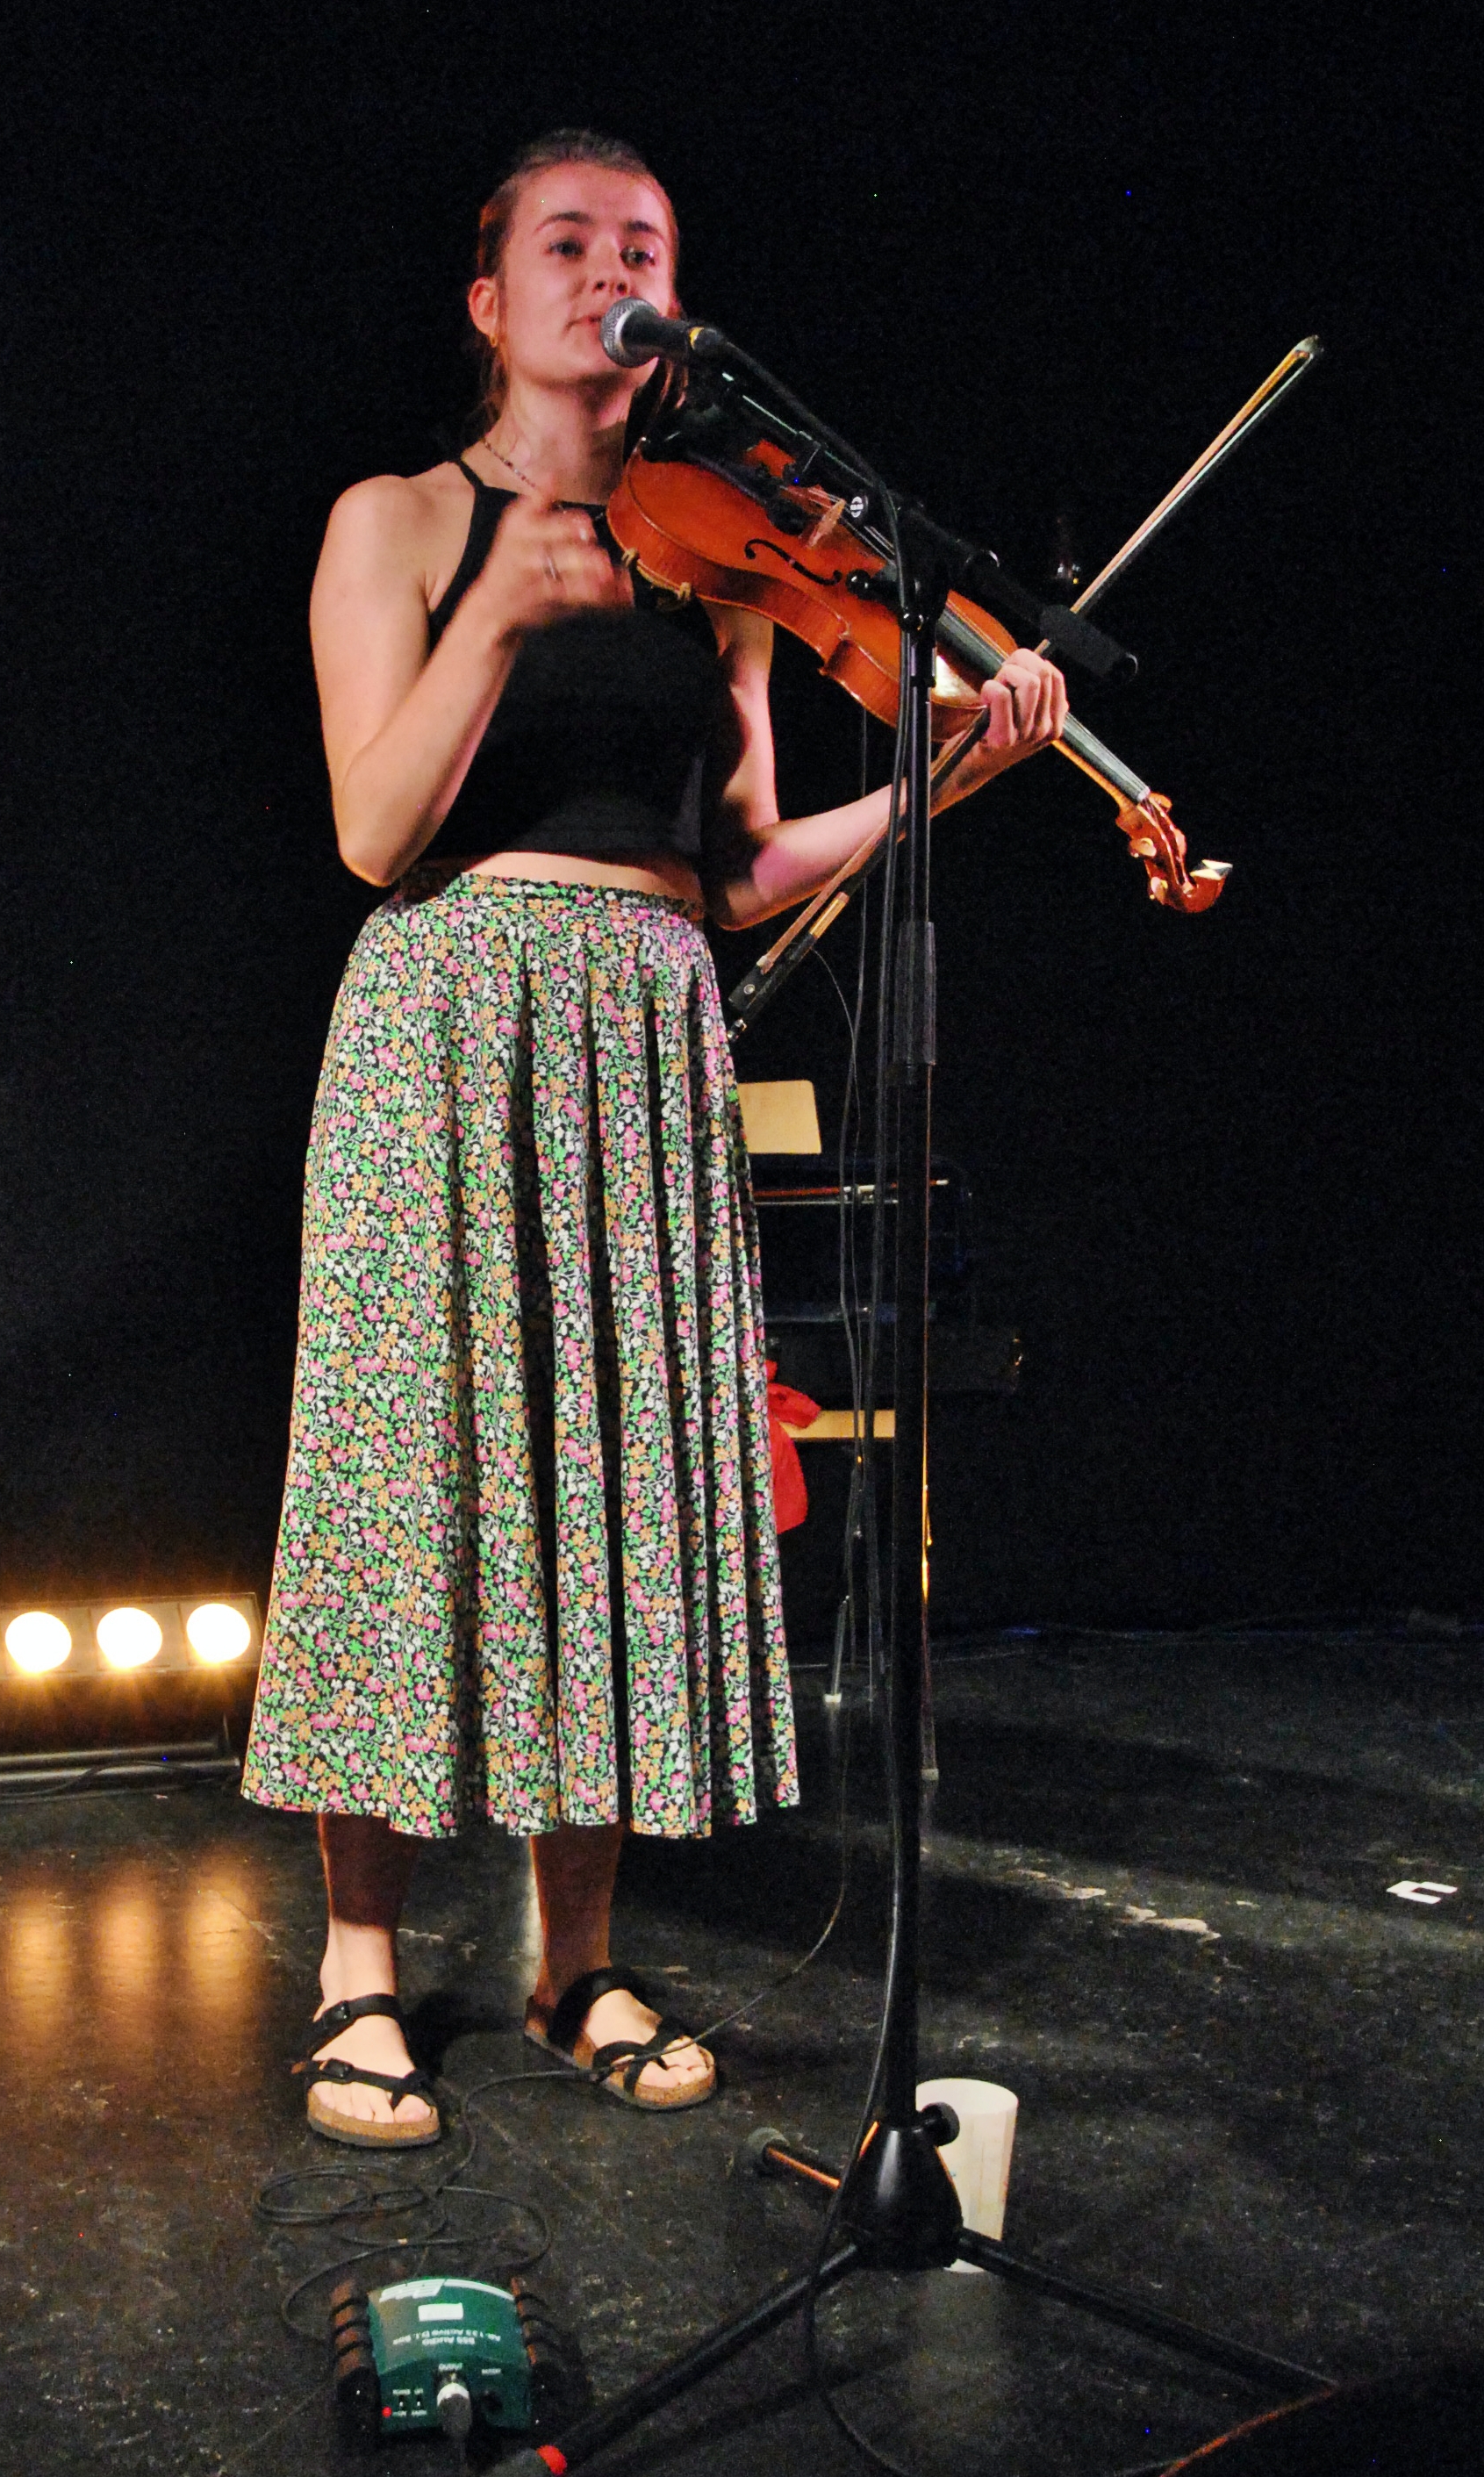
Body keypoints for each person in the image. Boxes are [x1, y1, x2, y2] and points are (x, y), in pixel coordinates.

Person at [240, 131, 1067, 2146]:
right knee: (408, 1477)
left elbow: (747, 861)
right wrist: (495, 616)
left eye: (642, 246)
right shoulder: (395, 521)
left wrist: (945, 774)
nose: (609, 271)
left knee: (615, 1485)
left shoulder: (711, 565)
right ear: (488, 296)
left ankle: (572, 1960)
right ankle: (357, 1966)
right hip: (447, 1020)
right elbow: (371, 827)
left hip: (646, 1024)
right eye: (567, 242)